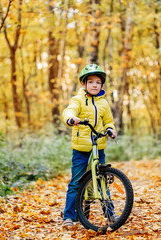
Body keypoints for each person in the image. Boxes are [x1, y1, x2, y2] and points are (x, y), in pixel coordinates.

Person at [61, 64, 118, 227]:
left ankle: (110, 212)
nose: (94, 85)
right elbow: (69, 111)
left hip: (98, 146)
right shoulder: (78, 100)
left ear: (101, 85)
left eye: (98, 82)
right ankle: (69, 216)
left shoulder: (103, 103)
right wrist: (71, 119)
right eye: (91, 82)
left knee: (101, 181)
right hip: (81, 149)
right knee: (76, 182)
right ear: (83, 84)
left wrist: (110, 129)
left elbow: (108, 121)